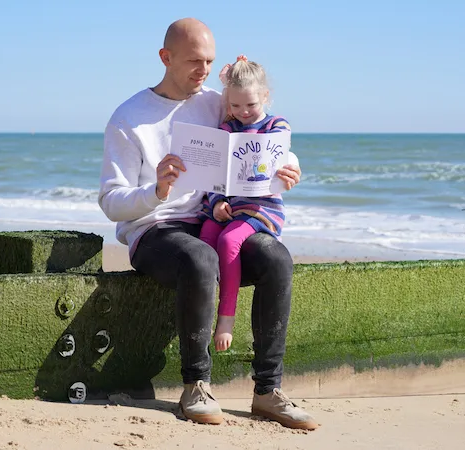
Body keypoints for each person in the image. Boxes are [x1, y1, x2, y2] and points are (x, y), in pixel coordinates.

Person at [98, 17, 318, 431]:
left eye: (209, 62)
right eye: (193, 61)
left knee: (275, 257)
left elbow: (263, 130)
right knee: (200, 258)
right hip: (156, 231)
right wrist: (157, 189)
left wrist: (290, 166)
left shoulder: (217, 101)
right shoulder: (129, 118)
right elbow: (111, 201)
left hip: (213, 219)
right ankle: (196, 385)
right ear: (165, 58)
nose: (203, 71)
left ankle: (267, 391)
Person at [198, 55, 292, 354]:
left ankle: (226, 318)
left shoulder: (276, 125)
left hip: (262, 209)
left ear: (265, 96)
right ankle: (204, 311)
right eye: (235, 106)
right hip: (231, 205)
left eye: (251, 105)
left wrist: (288, 167)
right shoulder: (227, 129)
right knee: (206, 238)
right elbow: (213, 174)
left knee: (228, 240)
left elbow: (283, 156)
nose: (244, 112)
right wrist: (217, 203)